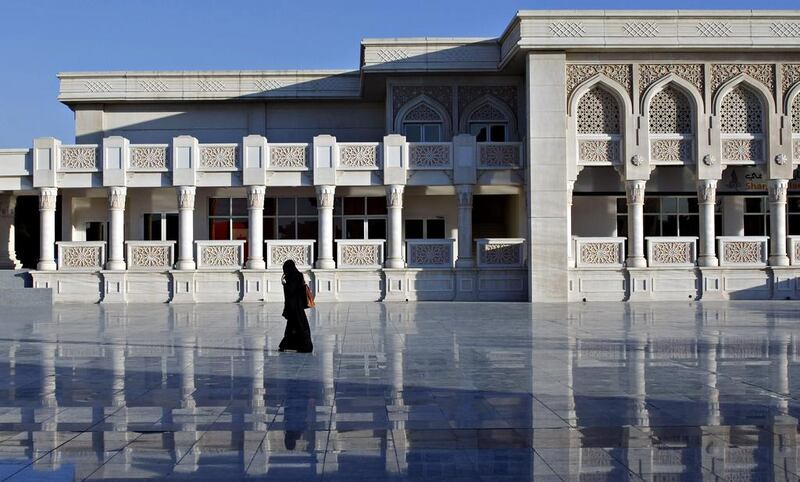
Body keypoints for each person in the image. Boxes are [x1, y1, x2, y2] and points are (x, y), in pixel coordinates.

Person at [279, 259, 314, 353]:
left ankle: (301, 345)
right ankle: (295, 345)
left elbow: (291, 290)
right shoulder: (299, 275)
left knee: (295, 327)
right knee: (297, 326)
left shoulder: (291, 276)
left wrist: (284, 284)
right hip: (298, 306)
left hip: (293, 306)